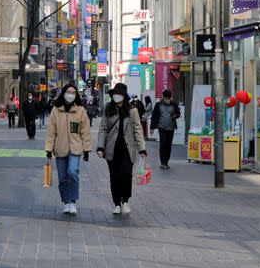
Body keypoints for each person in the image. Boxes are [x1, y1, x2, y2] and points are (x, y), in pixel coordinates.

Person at [97, 83, 146, 215]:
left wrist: (142, 149)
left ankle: (125, 201)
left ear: (124, 96)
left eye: (119, 94)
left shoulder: (132, 110)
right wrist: (100, 147)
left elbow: (137, 130)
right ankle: (117, 203)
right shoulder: (108, 108)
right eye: (114, 94)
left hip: (127, 149)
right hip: (112, 149)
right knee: (115, 176)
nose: (116, 97)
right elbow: (103, 129)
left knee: (126, 175)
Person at [45, 84, 92, 215]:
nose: (70, 94)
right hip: (60, 148)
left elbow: (85, 131)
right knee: (62, 177)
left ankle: (73, 201)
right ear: (64, 93)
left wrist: (87, 149)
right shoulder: (56, 110)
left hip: (76, 148)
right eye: (68, 92)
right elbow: (51, 131)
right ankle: (66, 202)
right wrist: (48, 149)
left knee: (72, 172)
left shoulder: (80, 110)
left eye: (73, 92)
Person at [150, 89, 181, 170]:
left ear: (171, 98)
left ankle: (166, 162)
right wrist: (152, 128)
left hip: (171, 128)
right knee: (163, 143)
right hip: (162, 127)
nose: (167, 100)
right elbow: (154, 116)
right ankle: (162, 162)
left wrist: (175, 116)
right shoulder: (158, 104)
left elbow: (178, 113)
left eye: (169, 98)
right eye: (166, 98)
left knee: (168, 145)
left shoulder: (174, 104)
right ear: (163, 97)